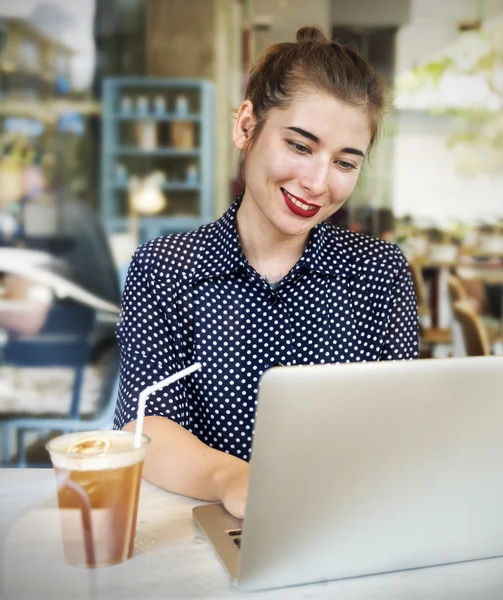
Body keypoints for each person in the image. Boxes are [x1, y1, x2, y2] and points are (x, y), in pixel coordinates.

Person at [114, 27, 419, 519]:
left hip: (347, 524)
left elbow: (401, 425)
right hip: (210, 527)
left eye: (344, 162)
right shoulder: (165, 268)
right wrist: (234, 480)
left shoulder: (379, 273)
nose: (318, 183)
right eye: (300, 146)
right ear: (246, 126)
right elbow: (147, 426)